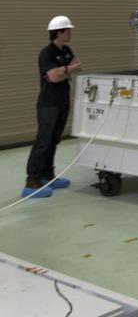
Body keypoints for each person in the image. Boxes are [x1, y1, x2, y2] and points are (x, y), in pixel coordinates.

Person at [22, 15, 81, 198]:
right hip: (48, 103)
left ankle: (47, 174)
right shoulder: (46, 53)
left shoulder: (66, 50)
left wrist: (62, 71)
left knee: (54, 140)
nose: (70, 33)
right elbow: (54, 77)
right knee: (43, 141)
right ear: (59, 32)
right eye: (68, 30)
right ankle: (32, 180)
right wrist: (66, 70)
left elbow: (77, 65)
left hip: (62, 100)